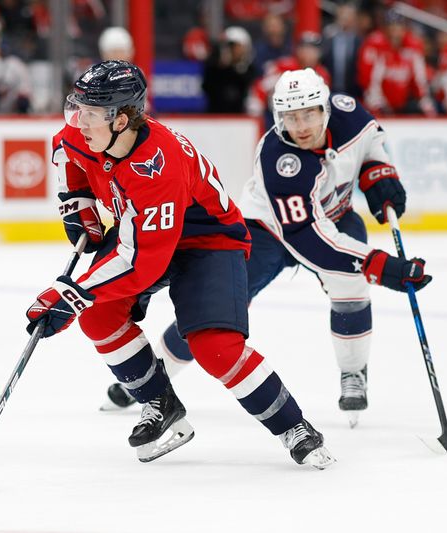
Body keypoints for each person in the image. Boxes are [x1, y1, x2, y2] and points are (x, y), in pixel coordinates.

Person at [25, 60, 335, 469]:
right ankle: (160, 403)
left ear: (122, 120)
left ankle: (293, 426)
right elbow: (65, 150)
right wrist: (76, 204)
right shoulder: (86, 132)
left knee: (214, 348)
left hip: (208, 240)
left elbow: (141, 265)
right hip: (144, 232)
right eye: (77, 108)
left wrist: (71, 295)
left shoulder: (159, 166)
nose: (79, 121)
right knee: (98, 316)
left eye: (93, 114)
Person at [101, 68, 432, 429]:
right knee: (215, 310)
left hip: (334, 214)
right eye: (290, 117)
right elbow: (310, 238)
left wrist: (379, 173)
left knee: (350, 286)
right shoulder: (279, 159)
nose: (301, 126)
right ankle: (157, 372)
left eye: (308, 114)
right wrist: (384, 267)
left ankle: (353, 371)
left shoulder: (351, 113)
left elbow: (372, 142)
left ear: (326, 109)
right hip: (267, 230)